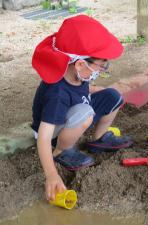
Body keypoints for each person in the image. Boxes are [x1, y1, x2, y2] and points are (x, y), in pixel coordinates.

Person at [31, 15, 133, 201]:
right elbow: (44, 136)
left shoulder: (78, 74)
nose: (101, 71)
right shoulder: (57, 93)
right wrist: (51, 174)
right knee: (86, 115)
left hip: (74, 115)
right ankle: (62, 151)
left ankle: (99, 139)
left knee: (112, 96)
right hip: (54, 132)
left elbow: (80, 92)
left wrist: (97, 89)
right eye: (101, 66)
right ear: (80, 63)